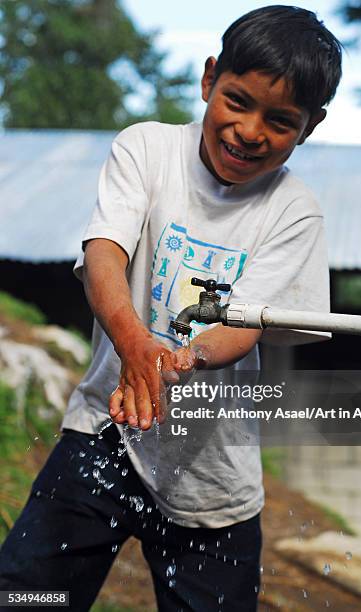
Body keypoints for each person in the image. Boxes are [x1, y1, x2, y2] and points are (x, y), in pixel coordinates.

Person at [0, 5, 342, 611]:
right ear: (210, 79)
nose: (251, 130)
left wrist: (179, 357)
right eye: (237, 100)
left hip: (212, 473)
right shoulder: (148, 150)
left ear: (309, 127)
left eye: (281, 120)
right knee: (26, 596)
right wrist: (135, 343)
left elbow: (241, 331)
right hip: (104, 428)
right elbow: (105, 253)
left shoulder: (294, 212)